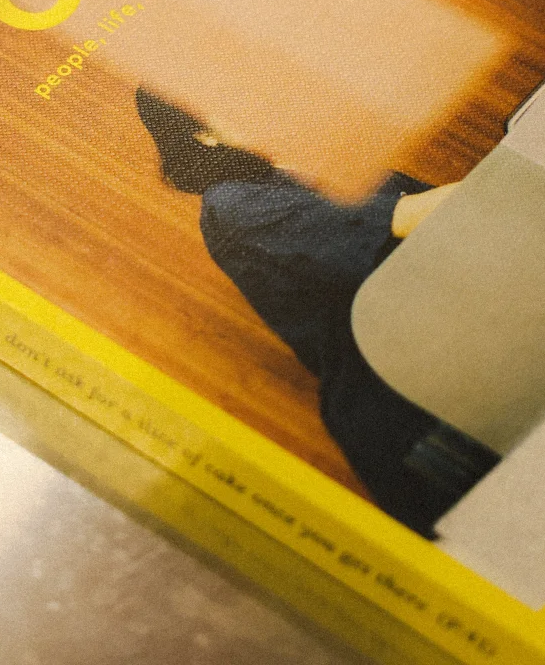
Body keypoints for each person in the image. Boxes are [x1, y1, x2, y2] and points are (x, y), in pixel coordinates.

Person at [135, 87, 499, 538]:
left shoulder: (295, 167)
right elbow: (410, 218)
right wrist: (521, 172)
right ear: (204, 135)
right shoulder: (234, 204)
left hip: (448, 369)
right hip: (408, 416)